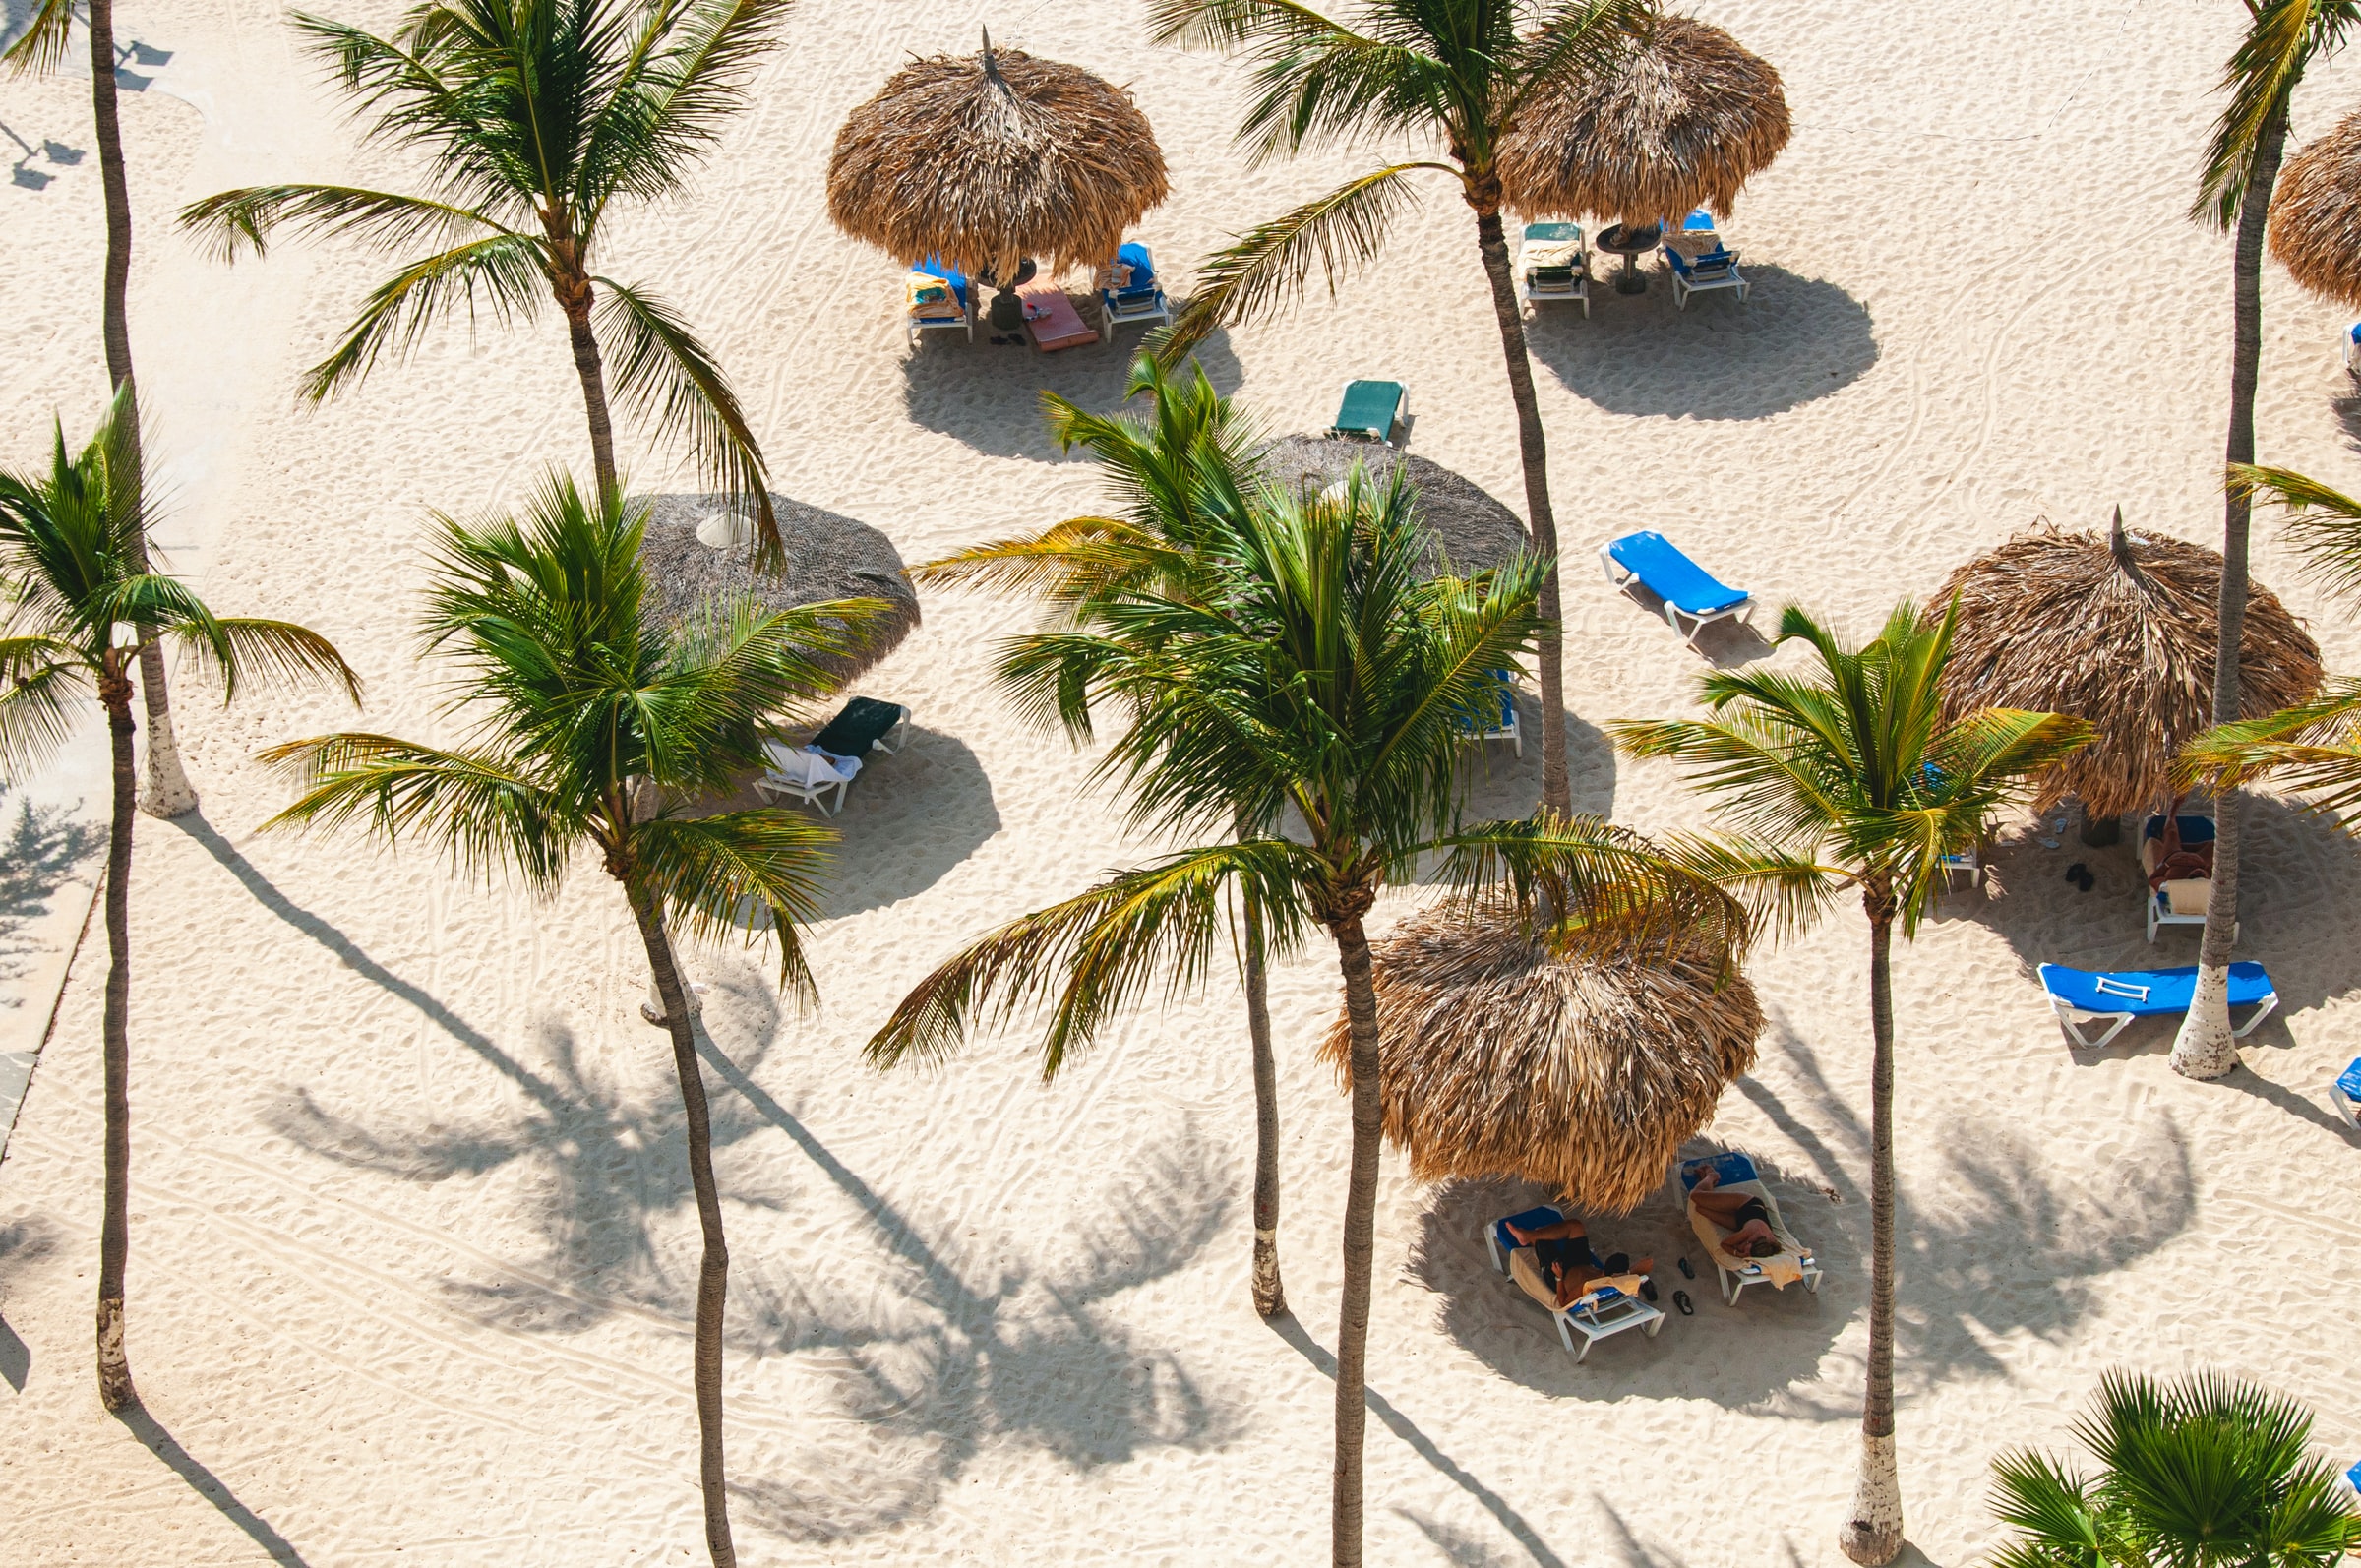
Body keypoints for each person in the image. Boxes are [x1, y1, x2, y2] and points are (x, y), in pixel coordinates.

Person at [1502, 1214, 1653, 1309]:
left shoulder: (1587, 1286)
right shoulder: (1620, 1280)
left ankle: (1529, 1236)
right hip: (1581, 1262)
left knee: (1542, 1240)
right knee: (1576, 1226)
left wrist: (1559, 1277)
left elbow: (1563, 1302)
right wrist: (1630, 1273)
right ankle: (1531, 1234)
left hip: (1560, 1273)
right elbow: (1648, 1263)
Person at [1690, 1165, 1783, 1259]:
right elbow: (1724, 1244)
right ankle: (1711, 1175)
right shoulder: (1752, 1231)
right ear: (1752, 1241)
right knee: (1695, 1196)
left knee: (1700, 1208)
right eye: (1748, 1249)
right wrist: (1738, 1254)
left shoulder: (1766, 1245)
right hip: (1745, 1203)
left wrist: (1743, 1251)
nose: (1745, 1251)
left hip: (1740, 1222)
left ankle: (1705, 1181)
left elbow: (1731, 1245)